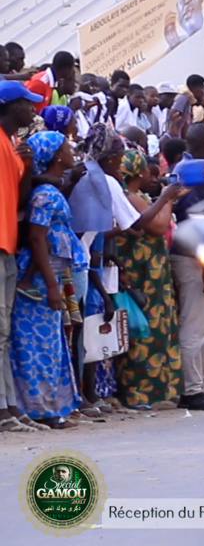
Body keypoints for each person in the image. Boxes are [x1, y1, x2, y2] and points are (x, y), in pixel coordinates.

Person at [10, 131, 88, 429]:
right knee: (38, 346)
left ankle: (54, 407)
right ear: (56, 155)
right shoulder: (44, 195)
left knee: (52, 343)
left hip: (49, 276)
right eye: (67, 147)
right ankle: (42, 409)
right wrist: (52, 286)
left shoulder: (50, 189)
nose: (71, 151)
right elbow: (37, 238)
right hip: (41, 281)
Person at [112, 149, 182, 409]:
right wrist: (167, 199)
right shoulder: (131, 197)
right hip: (142, 273)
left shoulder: (138, 196)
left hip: (152, 272)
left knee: (157, 327)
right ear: (137, 172)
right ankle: (141, 391)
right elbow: (156, 225)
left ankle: (160, 388)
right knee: (145, 330)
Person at [0, 81, 42, 432]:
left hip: (8, 245)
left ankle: (9, 408)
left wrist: (26, 165)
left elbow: (18, 200)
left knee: (4, 332)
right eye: (25, 104)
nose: (31, 109)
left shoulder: (13, 145)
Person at [170, 124, 204, 411]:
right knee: (193, 325)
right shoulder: (194, 173)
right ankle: (192, 389)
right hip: (192, 258)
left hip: (196, 256)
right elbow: (192, 226)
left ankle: (201, 385)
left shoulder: (189, 167)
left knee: (202, 326)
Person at [168, 75, 204, 139]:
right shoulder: (183, 97)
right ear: (196, 88)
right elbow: (173, 114)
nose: (203, 92)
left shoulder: (189, 100)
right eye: (203, 88)